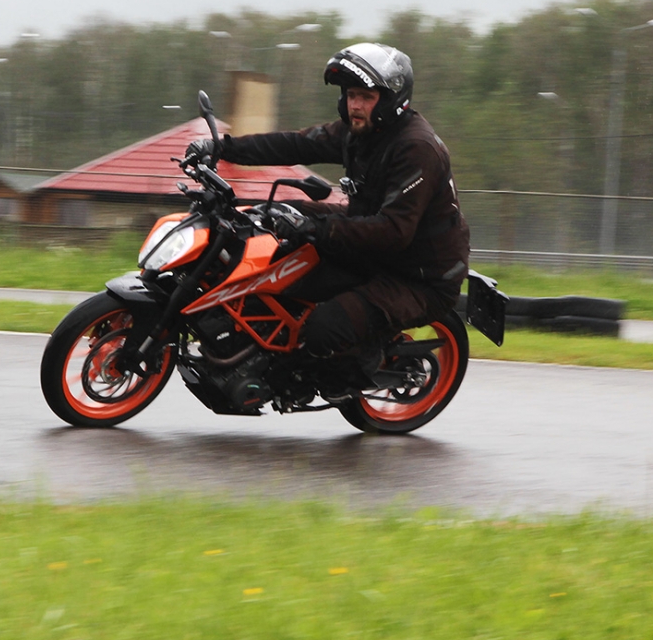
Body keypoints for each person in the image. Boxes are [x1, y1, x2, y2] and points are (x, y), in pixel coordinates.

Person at [185, 43, 470, 391]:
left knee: (325, 327)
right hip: (372, 249)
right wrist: (221, 148)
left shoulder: (416, 149)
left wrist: (315, 228)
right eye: (351, 95)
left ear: (391, 100)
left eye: (366, 97)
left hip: (417, 275)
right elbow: (295, 144)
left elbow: (394, 232)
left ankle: (339, 374)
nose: (355, 105)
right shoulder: (357, 132)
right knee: (276, 215)